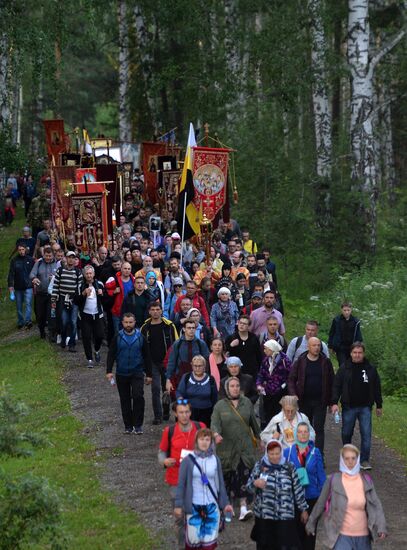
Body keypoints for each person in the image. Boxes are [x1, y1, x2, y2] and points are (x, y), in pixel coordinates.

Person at [306, 444, 387, 549]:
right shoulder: (333, 480)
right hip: (340, 536)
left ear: (357, 459)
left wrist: (381, 526)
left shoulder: (366, 480)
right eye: (347, 458)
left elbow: (376, 504)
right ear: (342, 460)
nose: (350, 462)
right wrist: (311, 523)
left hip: (363, 537)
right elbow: (320, 503)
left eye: (353, 458)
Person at [211, 376, 261, 521]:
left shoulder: (247, 403)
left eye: (237, 385)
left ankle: (244, 508)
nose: (235, 388)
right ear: (227, 388)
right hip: (227, 448)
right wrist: (216, 434)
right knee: (228, 478)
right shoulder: (220, 406)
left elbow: (253, 422)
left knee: (244, 476)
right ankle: (228, 507)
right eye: (232, 386)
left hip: (244, 447)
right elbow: (214, 423)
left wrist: (259, 439)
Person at [174, 429, 233, 550]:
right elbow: (181, 485)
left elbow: (220, 484)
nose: (204, 442)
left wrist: (226, 504)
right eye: (201, 439)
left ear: (211, 441)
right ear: (196, 441)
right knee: (194, 542)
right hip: (194, 507)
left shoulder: (215, 460)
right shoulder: (187, 460)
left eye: (207, 439)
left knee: (209, 545)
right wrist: (178, 505)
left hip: (212, 507)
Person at [158, 400, 205, 549]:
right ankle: (182, 545)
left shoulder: (200, 427)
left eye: (187, 412)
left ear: (190, 412)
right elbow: (161, 452)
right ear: (175, 414)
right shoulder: (169, 431)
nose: (184, 416)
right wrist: (164, 461)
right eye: (181, 412)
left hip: (197, 478)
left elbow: (210, 448)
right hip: (176, 479)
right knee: (180, 517)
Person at [247, 440, 308, 550]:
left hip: (285, 516)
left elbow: (297, 489)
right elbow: (248, 488)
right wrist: (255, 483)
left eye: (277, 453)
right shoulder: (260, 466)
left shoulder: (289, 467)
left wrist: (303, 509)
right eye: (271, 454)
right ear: (266, 453)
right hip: (265, 516)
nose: (275, 457)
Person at [331, 342, 382, 470]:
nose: (357, 355)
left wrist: (379, 405)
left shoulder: (370, 368)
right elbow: (336, 386)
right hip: (349, 406)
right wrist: (334, 402)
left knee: (366, 434)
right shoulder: (344, 368)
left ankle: (364, 460)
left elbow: (377, 387)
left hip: (366, 407)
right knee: (346, 432)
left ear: (363, 354)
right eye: (355, 352)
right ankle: (347, 457)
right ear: (351, 353)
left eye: (360, 353)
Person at [106, 312, 152, 434]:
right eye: (126, 322)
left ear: (134, 322)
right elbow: (111, 354)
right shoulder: (118, 336)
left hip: (137, 372)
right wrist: (109, 371)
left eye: (130, 322)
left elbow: (147, 356)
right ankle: (128, 426)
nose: (128, 325)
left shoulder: (140, 337)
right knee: (125, 400)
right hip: (121, 373)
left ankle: (138, 425)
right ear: (122, 323)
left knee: (138, 397)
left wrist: (149, 374)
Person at [288, 337, 334, 455]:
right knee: (304, 428)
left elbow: (332, 382)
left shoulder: (326, 362)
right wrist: (294, 394)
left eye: (319, 345)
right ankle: (304, 454)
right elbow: (291, 379)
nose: (317, 348)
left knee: (319, 429)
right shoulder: (300, 361)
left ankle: (318, 455)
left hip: (320, 401)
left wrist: (332, 402)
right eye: (314, 345)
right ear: (308, 346)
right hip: (304, 401)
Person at [284, 422, 326, 550]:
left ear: (309, 434)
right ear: (296, 434)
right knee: (294, 534)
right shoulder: (287, 452)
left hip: (311, 497)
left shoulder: (315, 452)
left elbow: (321, 476)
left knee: (309, 533)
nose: (303, 434)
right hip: (293, 498)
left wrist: (323, 498)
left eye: (305, 431)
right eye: (300, 432)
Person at [141, 302, 178, 424]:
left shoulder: (169, 325)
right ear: (149, 311)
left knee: (167, 389)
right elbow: (141, 348)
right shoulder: (145, 327)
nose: (155, 311)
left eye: (158, 309)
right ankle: (158, 415)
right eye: (153, 309)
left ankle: (166, 411)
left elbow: (176, 343)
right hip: (152, 363)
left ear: (161, 311)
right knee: (155, 389)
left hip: (167, 362)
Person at [166, 320, 210, 393]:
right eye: (189, 328)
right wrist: (168, 380)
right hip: (181, 378)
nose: (191, 330)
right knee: (182, 401)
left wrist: (206, 377)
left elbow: (207, 362)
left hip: (198, 378)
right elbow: (171, 362)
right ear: (184, 329)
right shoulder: (177, 344)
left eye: (193, 328)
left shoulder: (200, 343)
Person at [51, 251, 83, 351]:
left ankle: (72, 344)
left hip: (73, 300)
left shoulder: (78, 272)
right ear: (66, 258)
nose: (71, 259)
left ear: (75, 260)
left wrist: (78, 299)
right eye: (69, 257)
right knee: (64, 321)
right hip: (62, 299)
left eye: (73, 258)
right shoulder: (60, 271)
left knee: (73, 322)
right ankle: (64, 339)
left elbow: (79, 287)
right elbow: (56, 285)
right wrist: (53, 298)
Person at [256, 340, 292, 426]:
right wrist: (258, 384)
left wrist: (284, 385)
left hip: (281, 393)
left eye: (266, 349)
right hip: (268, 392)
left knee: (280, 415)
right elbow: (261, 374)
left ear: (272, 349)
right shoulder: (266, 361)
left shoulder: (285, 361)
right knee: (267, 414)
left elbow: (291, 375)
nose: (264, 351)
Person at [176, 355, 218, 427]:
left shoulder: (211, 379)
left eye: (200, 366)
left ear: (204, 366)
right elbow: (179, 392)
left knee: (203, 435)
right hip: (189, 413)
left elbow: (214, 398)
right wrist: (181, 400)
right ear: (192, 366)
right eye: (195, 366)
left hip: (206, 413)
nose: (197, 368)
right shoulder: (186, 377)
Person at [76, 265, 105, 368]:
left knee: (100, 335)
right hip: (85, 315)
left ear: (93, 274)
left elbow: (106, 300)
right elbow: (76, 301)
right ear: (84, 274)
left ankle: (97, 350)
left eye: (90, 273)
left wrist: (102, 294)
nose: (89, 275)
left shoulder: (99, 284)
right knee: (86, 337)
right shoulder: (80, 285)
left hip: (97, 314)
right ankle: (89, 359)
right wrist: (83, 294)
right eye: (87, 273)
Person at [29, 245, 58, 338]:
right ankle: (42, 331)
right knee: (40, 315)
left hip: (52, 295)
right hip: (40, 294)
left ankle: (52, 333)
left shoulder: (57, 263)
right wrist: (34, 278)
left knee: (52, 314)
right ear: (43, 255)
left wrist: (54, 277)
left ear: (53, 255)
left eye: (50, 256)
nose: (48, 258)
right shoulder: (39, 263)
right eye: (46, 256)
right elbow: (32, 274)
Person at [225, 314, 263, 378]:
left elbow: (258, 355)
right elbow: (226, 355)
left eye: (244, 324)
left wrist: (259, 370)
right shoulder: (231, 338)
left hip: (252, 372)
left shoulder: (254, 338)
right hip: (236, 372)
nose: (241, 325)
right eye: (240, 323)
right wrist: (231, 345)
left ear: (248, 326)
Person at [8, 244, 35, 329]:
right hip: (18, 287)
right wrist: (10, 287)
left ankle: (28, 321)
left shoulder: (30, 260)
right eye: (19, 250)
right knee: (19, 306)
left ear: (25, 250)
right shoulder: (14, 260)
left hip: (28, 286)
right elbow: (11, 274)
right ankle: (20, 321)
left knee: (28, 304)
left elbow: (34, 272)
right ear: (17, 251)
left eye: (22, 249)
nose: (21, 251)